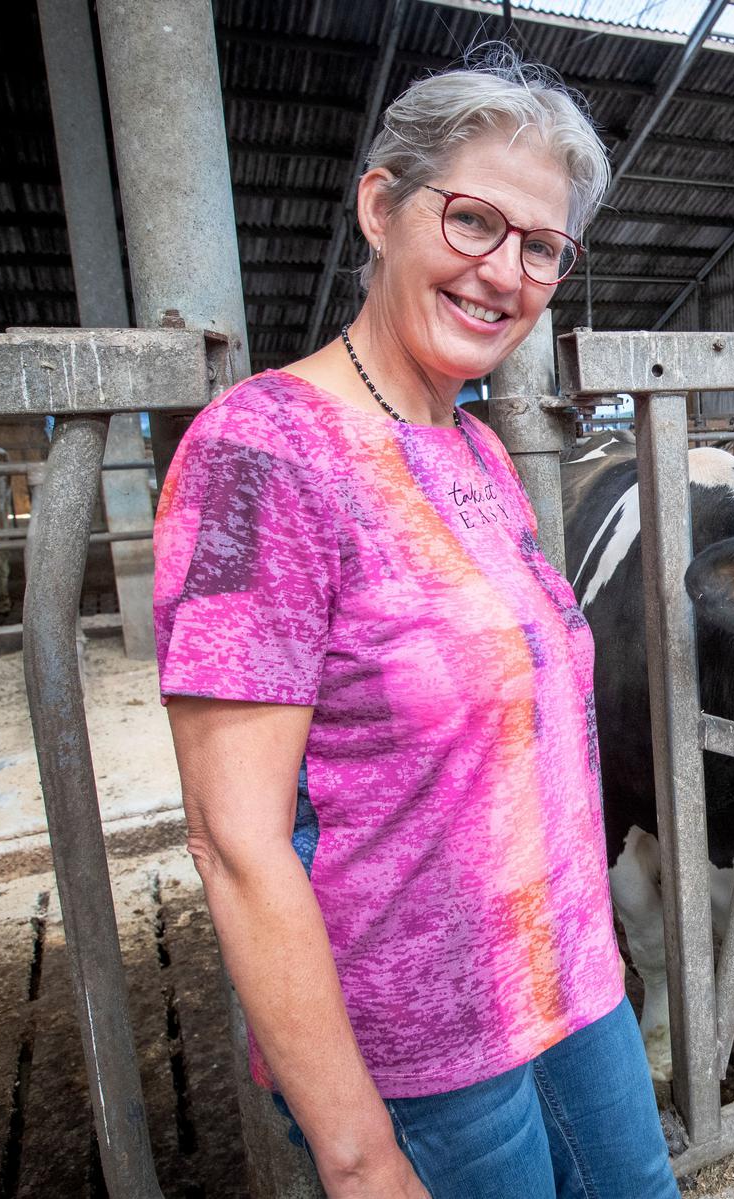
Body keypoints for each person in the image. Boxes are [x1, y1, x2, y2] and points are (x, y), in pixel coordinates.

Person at [152, 51, 679, 1199]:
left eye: (542, 247)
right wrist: (357, 1153)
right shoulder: (264, 451)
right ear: (381, 207)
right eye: (475, 221)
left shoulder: (481, 450)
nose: (506, 272)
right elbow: (235, 839)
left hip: (572, 989)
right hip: (419, 1048)